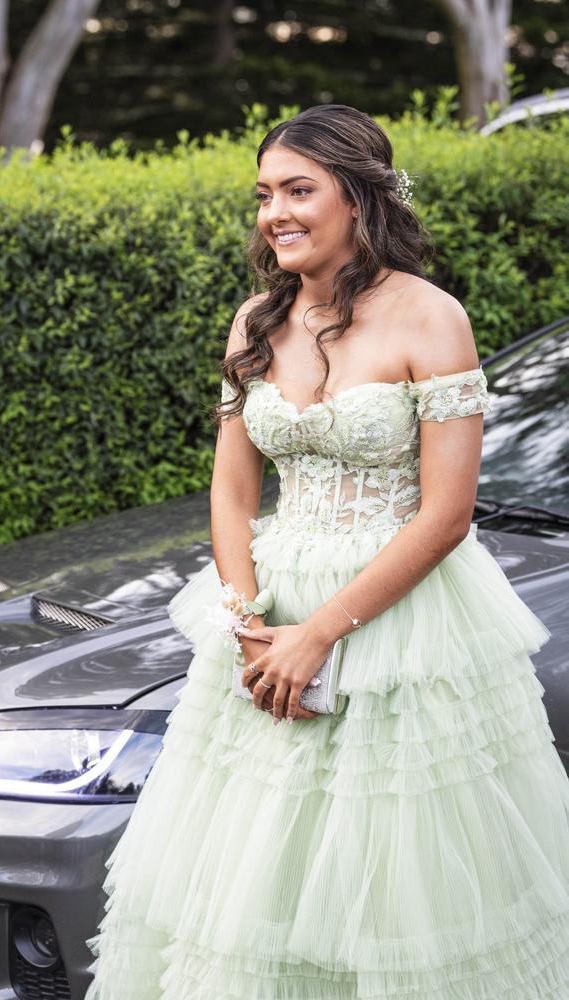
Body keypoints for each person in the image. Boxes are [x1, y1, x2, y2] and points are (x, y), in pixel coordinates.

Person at [84, 105, 569, 999]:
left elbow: (447, 514)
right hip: (264, 617)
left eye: (299, 190)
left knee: (395, 880)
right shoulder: (254, 322)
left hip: (401, 627)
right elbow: (233, 492)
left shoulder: (432, 318)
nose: (276, 212)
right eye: (265, 194)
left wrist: (323, 634)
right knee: (249, 878)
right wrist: (248, 618)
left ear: (359, 196)